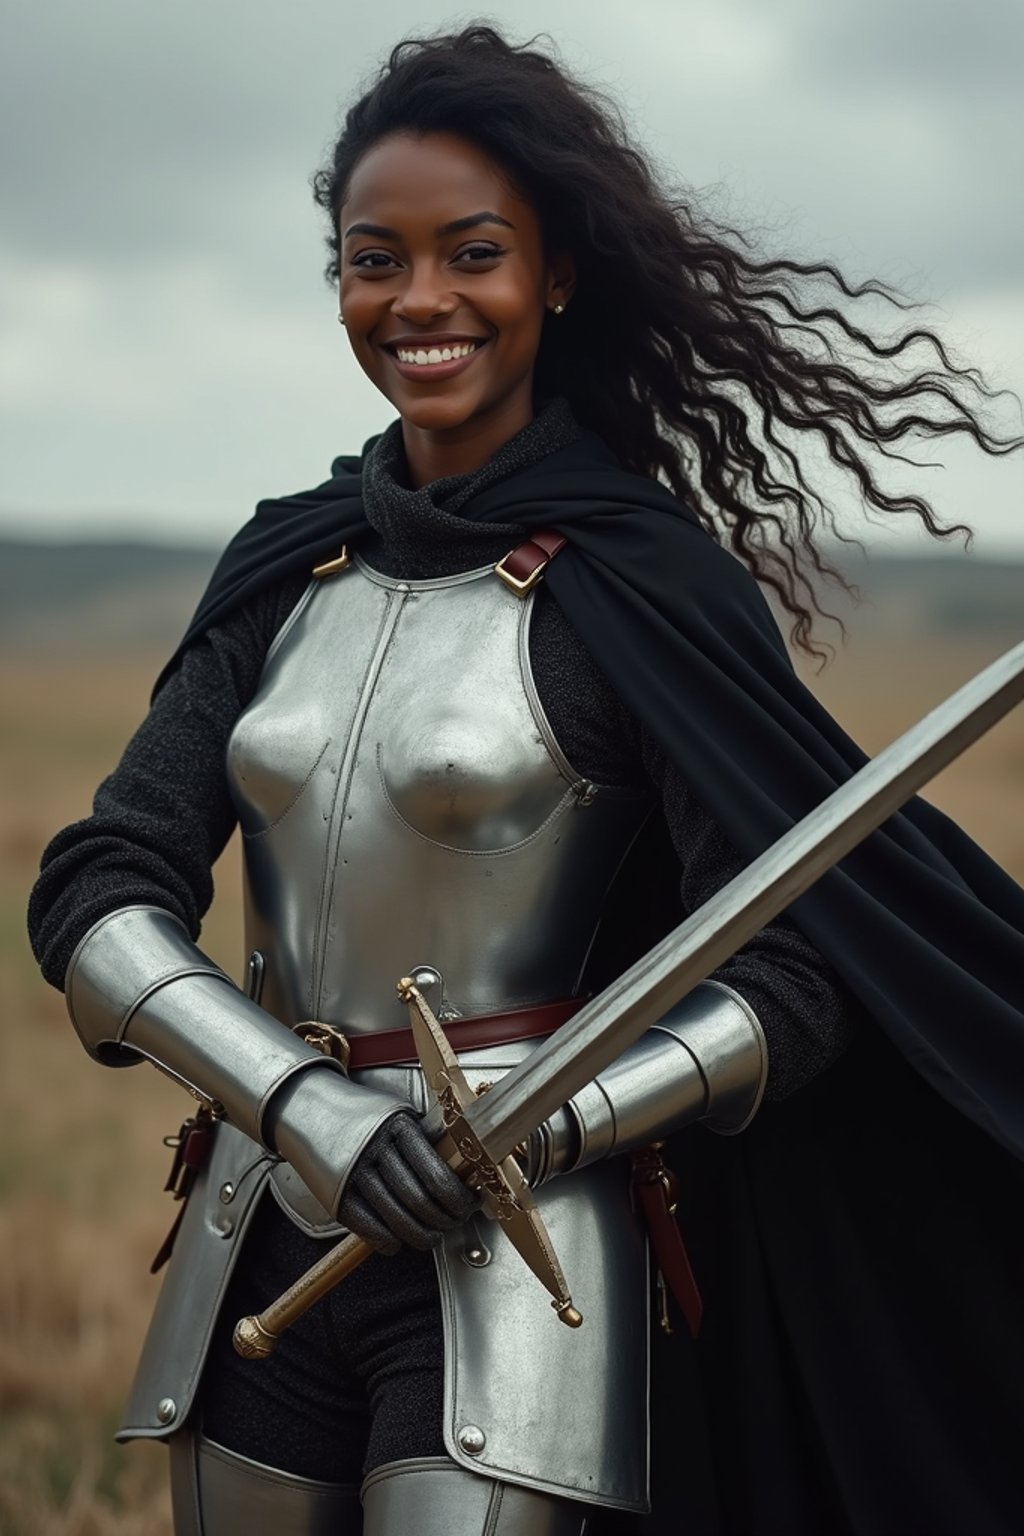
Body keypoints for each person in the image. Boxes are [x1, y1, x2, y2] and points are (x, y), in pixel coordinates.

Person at [28, 25, 1024, 1536]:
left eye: (470, 254)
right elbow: (102, 884)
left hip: (520, 1260)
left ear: (554, 275)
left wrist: (547, 1127)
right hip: (263, 1235)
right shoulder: (287, 563)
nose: (419, 300)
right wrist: (303, 1104)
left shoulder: (639, 587)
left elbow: (798, 966)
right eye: (375, 259)